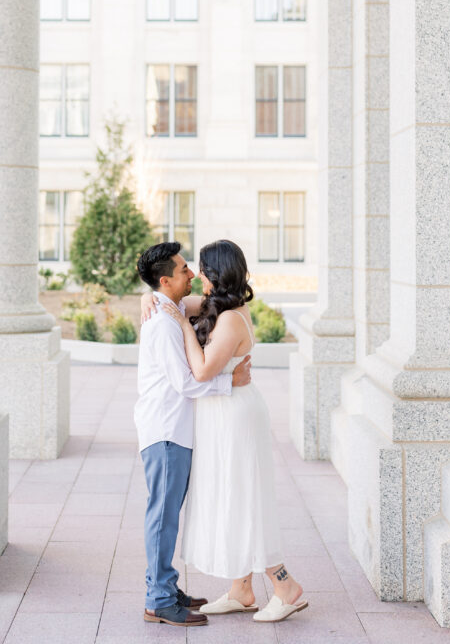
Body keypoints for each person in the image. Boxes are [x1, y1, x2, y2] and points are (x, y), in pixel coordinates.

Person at [141, 238, 307, 623]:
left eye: (200, 268)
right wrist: (146, 297)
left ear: (216, 273)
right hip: (220, 414)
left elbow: (199, 371)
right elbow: (168, 298)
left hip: (235, 416)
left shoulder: (231, 318)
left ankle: (285, 586)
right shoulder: (219, 305)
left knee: (245, 498)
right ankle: (241, 589)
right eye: (189, 268)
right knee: (231, 497)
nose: (195, 274)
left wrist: (182, 324)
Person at [134, 241, 253, 628]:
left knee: (167, 516)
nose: (191, 274)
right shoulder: (164, 323)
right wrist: (229, 381)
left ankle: (166, 588)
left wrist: (146, 297)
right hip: (166, 432)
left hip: (175, 430)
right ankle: (159, 600)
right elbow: (187, 383)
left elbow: (214, 303)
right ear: (166, 281)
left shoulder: (169, 308)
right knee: (163, 518)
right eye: (184, 270)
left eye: (192, 268)